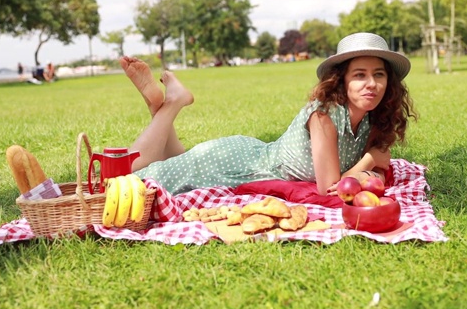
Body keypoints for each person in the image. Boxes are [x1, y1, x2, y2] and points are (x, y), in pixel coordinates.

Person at [123, 32, 417, 196]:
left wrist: (373, 163)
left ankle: (159, 108)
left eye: (379, 74)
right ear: (342, 80)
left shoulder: (372, 117)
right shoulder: (324, 114)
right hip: (236, 165)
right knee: (127, 179)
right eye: (360, 75)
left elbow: (374, 172)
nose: (371, 84)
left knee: (172, 161)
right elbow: (330, 189)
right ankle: (173, 104)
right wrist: (369, 160)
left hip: (251, 155)